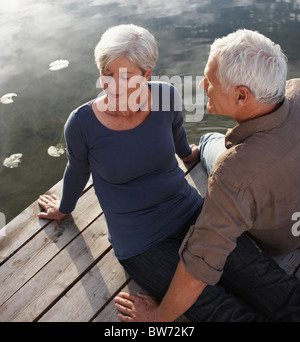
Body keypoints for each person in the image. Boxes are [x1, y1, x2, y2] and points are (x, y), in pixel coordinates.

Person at [38, 25, 300, 322]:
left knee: (266, 280)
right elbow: (75, 171)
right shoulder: (81, 123)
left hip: (190, 211)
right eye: (106, 73)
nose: (112, 85)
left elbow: (177, 135)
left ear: (147, 75)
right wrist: (63, 208)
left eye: (124, 77)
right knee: (216, 308)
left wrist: (189, 155)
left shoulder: (166, 96)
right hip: (140, 240)